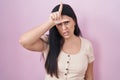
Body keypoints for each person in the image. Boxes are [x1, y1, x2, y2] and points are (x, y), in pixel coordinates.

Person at [19, 1, 95, 80]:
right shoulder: (48, 42)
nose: (64, 28)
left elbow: (89, 76)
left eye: (66, 22)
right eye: (59, 24)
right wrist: (50, 23)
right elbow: (24, 41)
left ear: (74, 21)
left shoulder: (87, 45)